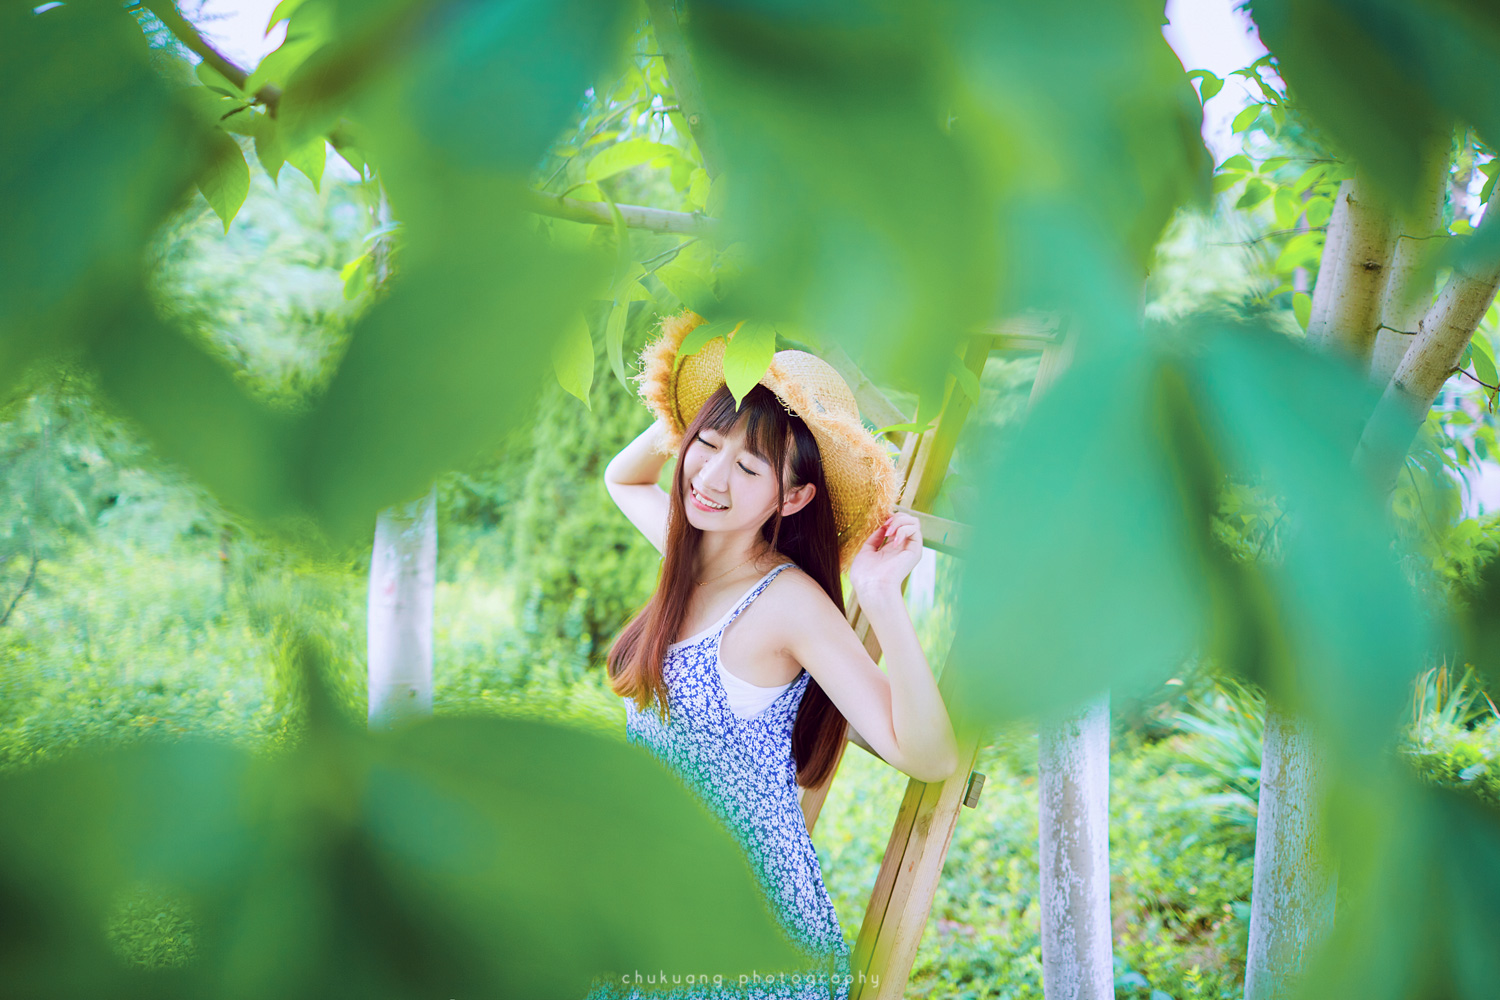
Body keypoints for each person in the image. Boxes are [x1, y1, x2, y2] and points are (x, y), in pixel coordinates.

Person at [585, 309, 960, 1000]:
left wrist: (881, 598)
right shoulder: (693, 557)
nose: (711, 477)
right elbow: (624, 478)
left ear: (793, 496)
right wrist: (709, 400)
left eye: (748, 464)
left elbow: (931, 757)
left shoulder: (787, 603)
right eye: (706, 445)